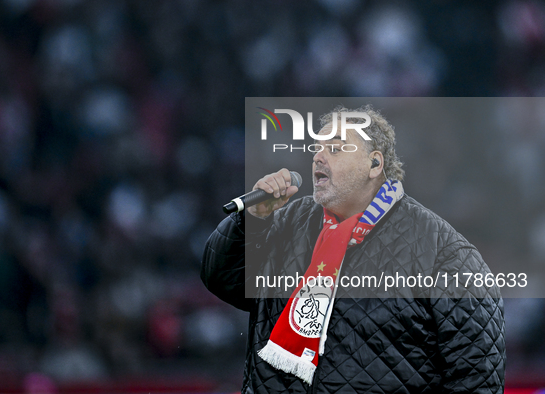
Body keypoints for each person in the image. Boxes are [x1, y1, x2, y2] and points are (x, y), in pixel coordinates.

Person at [201, 105, 506, 393]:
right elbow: (222, 279)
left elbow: (477, 373)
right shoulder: (287, 221)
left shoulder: (442, 249)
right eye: (317, 148)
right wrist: (252, 220)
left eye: (335, 149)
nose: (319, 157)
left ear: (375, 164)